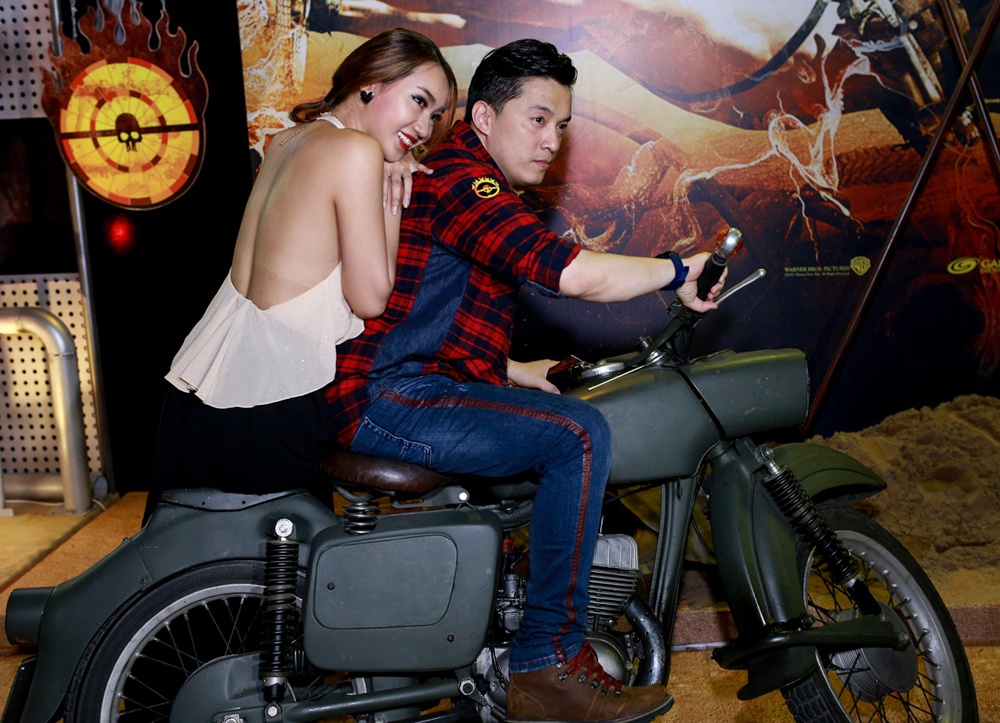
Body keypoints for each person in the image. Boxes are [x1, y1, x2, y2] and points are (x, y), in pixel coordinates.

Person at [324, 38, 725, 723]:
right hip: (390, 399)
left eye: (561, 125)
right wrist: (679, 269)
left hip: (404, 386)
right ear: (483, 117)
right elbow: (569, 273)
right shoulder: (466, 180)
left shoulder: (461, 175)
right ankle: (546, 661)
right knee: (579, 435)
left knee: (557, 421)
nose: (551, 141)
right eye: (537, 119)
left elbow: (425, 309)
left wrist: (512, 369)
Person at [142, 28, 457, 524]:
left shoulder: (286, 140)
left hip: (197, 398)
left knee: (188, 559)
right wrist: (393, 195)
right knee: (285, 567)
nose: (424, 126)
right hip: (272, 401)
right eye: (419, 101)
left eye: (435, 116)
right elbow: (371, 299)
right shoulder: (357, 151)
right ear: (371, 82)